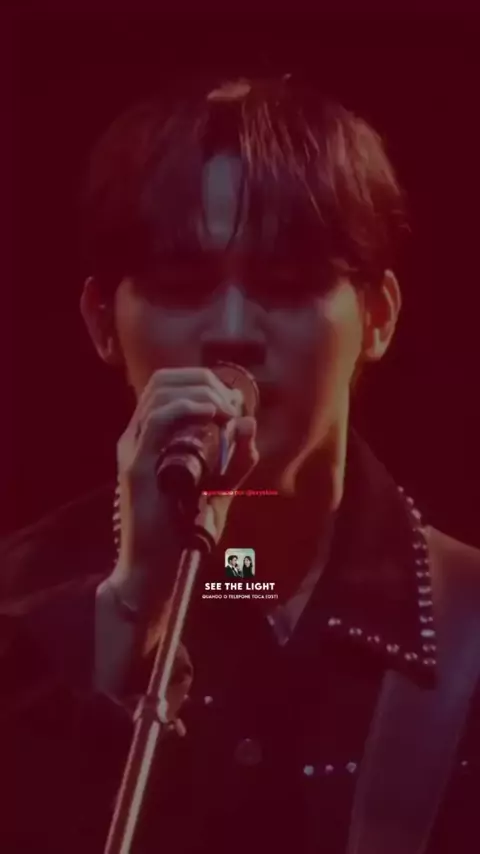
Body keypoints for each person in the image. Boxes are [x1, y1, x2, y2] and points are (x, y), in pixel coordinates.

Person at [1, 75, 479, 854]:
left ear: (379, 315)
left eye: (287, 284)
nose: (232, 328)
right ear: (100, 322)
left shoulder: (466, 629)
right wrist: (130, 617)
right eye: (181, 285)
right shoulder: (16, 623)